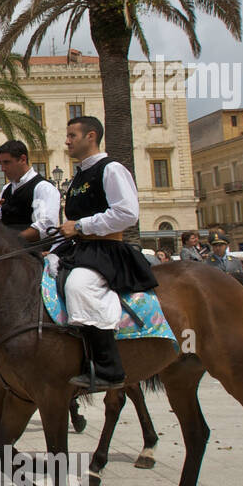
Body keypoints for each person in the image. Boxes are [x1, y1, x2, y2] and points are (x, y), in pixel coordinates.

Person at [54, 115, 159, 390]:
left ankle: (108, 369)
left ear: (91, 136)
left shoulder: (111, 169)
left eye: (71, 136)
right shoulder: (79, 175)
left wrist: (80, 225)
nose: (67, 141)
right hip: (81, 246)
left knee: (79, 286)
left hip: (106, 249)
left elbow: (127, 213)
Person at [0, 139, 61, 241]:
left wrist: (14, 240)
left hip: (34, 251)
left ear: (23, 159)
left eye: (7, 162)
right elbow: (1, 223)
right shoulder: (6, 189)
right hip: (10, 250)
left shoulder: (43, 188)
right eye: (0, 163)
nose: (2, 168)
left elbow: (46, 226)